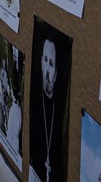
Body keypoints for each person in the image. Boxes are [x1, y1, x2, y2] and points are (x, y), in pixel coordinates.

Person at [30, 32, 67, 182]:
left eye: (51, 64)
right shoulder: (34, 97)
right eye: (45, 60)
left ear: (56, 73)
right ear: (40, 62)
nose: (46, 70)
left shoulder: (59, 111)